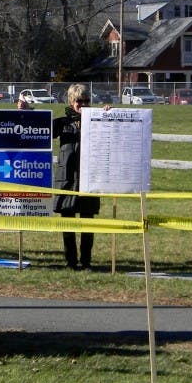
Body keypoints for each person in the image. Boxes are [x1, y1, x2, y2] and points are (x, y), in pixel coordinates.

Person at [53, 84, 110, 270]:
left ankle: (86, 262)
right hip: (67, 178)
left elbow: (115, 130)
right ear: (71, 101)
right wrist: (26, 112)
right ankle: (70, 261)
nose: (83, 104)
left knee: (87, 223)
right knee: (67, 223)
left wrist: (109, 115)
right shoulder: (62, 123)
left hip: (89, 178)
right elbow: (38, 129)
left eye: (86, 101)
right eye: (79, 101)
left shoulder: (98, 120)